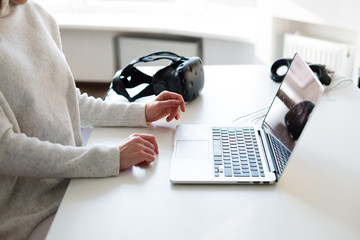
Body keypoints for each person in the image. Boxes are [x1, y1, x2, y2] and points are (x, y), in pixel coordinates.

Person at [0, 0, 186, 239]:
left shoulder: (38, 16)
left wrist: (141, 112)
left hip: (75, 184)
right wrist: (108, 158)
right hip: (29, 217)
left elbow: (67, 99)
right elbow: (7, 150)